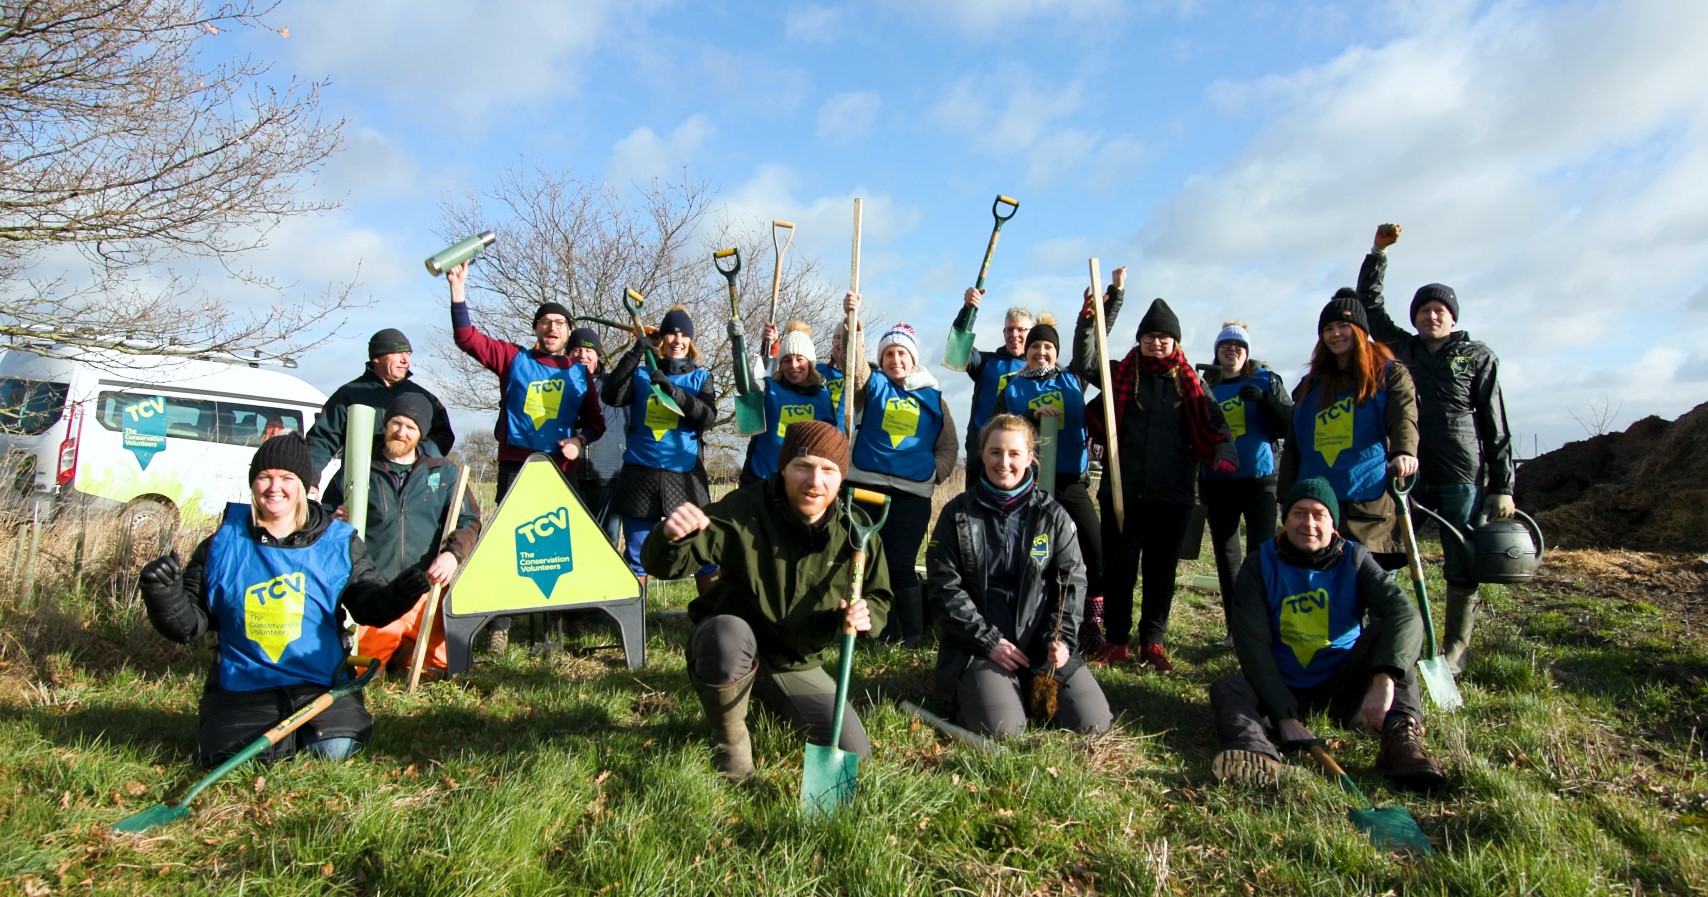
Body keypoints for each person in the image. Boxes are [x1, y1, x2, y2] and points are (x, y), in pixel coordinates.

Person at [136, 434, 430, 764]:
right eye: (265, 477)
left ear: (304, 486)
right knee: (230, 759)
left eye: (287, 478)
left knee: (335, 752)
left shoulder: (340, 543)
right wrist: (163, 594)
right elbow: (188, 626)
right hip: (244, 686)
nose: (275, 487)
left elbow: (369, 608)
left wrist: (400, 594)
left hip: (319, 685)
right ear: (253, 483)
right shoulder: (221, 543)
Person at [642, 421, 891, 782]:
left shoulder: (857, 531)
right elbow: (667, 564)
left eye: (828, 471)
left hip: (796, 661)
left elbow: (879, 596)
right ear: (784, 467)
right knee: (724, 634)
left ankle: (771, 701)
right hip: (735, 647)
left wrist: (868, 615)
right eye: (803, 467)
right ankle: (731, 747)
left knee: (855, 754)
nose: (814, 481)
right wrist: (669, 536)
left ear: (841, 479)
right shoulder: (743, 509)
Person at [1208, 478, 1446, 791]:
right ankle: (1255, 754)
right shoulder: (1259, 564)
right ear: (1285, 518)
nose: (1308, 523)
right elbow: (1252, 644)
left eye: (1319, 514)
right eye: (1299, 513)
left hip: (1343, 685)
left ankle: (1400, 743)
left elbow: (1405, 614)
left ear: (1333, 523)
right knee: (1228, 688)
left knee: (1392, 639)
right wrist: (1283, 714)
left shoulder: (1355, 558)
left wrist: (1384, 679)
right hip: (1280, 686)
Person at [1357, 223, 1517, 673]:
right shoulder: (1402, 349)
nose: (1432, 316)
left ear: (1453, 317)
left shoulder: (1476, 356)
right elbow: (1367, 308)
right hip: (1405, 469)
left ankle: (1455, 648)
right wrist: (1378, 254)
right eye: (1424, 310)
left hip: (1459, 472)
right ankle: (1383, 633)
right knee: (1387, 551)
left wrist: (1502, 484)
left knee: (1459, 560)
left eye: (1440, 310)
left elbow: (1495, 422)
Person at [1073, 285, 1237, 671]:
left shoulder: (1193, 385)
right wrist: (1090, 319)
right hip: (1123, 492)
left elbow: (1217, 424)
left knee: (1161, 573)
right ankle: (1116, 641)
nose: (1156, 343)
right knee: (1120, 570)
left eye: (1163, 337)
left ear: (1174, 341)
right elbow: (1085, 362)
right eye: (1149, 336)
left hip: (1174, 495)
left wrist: (1224, 454)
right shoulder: (1120, 376)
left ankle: (1153, 643)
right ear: (1141, 340)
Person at [448, 260, 604, 652]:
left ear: (568, 332)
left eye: (560, 323)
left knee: (556, 546)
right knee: (510, 542)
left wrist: (579, 442)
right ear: (536, 329)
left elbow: (595, 424)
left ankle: (554, 627)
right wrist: (458, 290)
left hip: (559, 470)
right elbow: (467, 337)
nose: (553, 328)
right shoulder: (513, 359)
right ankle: (500, 624)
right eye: (546, 321)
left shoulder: (579, 373)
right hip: (516, 465)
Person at [925, 414, 1112, 738]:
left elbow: (1071, 583)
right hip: (982, 648)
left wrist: (1062, 639)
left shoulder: (1053, 515)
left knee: (1094, 724)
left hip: (1041, 647)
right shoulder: (957, 514)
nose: (1004, 462)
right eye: (995, 452)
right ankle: (989, 692)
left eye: (1014, 453)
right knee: (1003, 731)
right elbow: (945, 588)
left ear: (1030, 457)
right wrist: (988, 641)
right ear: (982, 454)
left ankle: (1024, 687)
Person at [320, 394, 481, 676]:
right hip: (376, 593)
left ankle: (404, 652)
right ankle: (390, 653)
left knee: (437, 670)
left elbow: (469, 520)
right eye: (396, 423)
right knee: (363, 673)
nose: (401, 432)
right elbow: (324, 517)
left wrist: (452, 555)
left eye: (411, 427)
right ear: (386, 424)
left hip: (425, 587)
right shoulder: (357, 469)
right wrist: (333, 519)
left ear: (420, 434)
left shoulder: (444, 473)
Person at [1279, 293, 1419, 571]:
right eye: (1328, 329)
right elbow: (1294, 444)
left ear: (1360, 331)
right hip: (1318, 502)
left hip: (1366, 500)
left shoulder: (1389, 374)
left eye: (1343, 327)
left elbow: (1404, 416)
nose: (1335, 334)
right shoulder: (1310, 385)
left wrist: (1404, 452)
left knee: (1369, 583)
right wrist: (1286, 495)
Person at [848, 320, 958, 648]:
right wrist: (855, 331)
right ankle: (864, 631)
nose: (895, 360)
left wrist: (934, 472)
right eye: (889, 354)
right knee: (861, 561)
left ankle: (909, 635)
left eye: (902, 354)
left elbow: (949, 445)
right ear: (880, 360)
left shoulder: (934, 398)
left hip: (912, 495)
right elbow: (854, 371)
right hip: (865, 486)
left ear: (913, 359)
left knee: (900, 564)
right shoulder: (871, 387)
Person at [994, 312, 1103, 632]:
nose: (1041, 352)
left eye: (1048, 347)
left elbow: (1088, 347)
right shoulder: (1012, 389)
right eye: (1035, 347)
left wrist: (1092, 318)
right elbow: (998, 429)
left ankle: (1091, 620)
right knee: (1034, 552)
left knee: (1095, 550)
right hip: (1029, 485)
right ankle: (1030, 615)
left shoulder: (1073, 380)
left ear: (1056, 352)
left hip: (1071, 480)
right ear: (1025, 352)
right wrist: (1030, 415)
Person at [602, 302, 719, 596]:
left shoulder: (701, 378)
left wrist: (674, 393)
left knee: (703, 550)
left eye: (684, 336)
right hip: (641, 475)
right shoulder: (642, 376)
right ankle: (634, 624)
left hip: (684, 475)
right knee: (637, 555)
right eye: (671, 335)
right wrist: (636, 351)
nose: (678, 341)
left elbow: (708, 417)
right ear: (662, 339)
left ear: (691, 342)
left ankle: (713, 616)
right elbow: (612, 395)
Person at [1199, 322, 1292, 641]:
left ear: (1247, 353)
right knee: (1227, 559)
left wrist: (1266, 401)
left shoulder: (1266, 380)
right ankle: (1235, 628)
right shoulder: (1207, 386)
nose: (1232, 350)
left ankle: (1263, 628)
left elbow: (1289, 425)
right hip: (1218, 481)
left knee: (1261, 555)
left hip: (1259, 481)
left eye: (1239, 346)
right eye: (1225, 345)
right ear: (1217, 352)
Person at [304, 328, 454, 492]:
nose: (405, 360)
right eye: (397, 353)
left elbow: (443, 436)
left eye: (408, 354)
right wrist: (309, 481)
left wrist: (414, 451)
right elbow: (321, 440)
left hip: (410, 489)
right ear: (376, 357)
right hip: (358, 489)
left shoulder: (423, 398)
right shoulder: (349, 395)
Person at [739, 306, 855, 484]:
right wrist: (771, 345)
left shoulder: (846, 384)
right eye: (837, 338)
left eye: (845, 338)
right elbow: (764, 376)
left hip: (805, 475)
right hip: (762, 476)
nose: (794, 365)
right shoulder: (819, 371)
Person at [951, 289, 1032, 491]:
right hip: (981, 456)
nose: (1015, 335)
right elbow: (957, 349)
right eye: (1010, 329)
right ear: (1004, 333)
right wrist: (968, 310)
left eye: (1021, 330)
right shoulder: (986, 363)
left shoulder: (1041, 371)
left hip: (1021, 460)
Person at [569, 326, 627, 547]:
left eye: (589, 350)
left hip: (607, 479)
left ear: (598, 356)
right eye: (576, 349)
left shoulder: (614, 388)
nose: (582, 355)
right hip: (569, 477)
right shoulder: (558, 385)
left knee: (606, 545)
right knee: (572, 545)